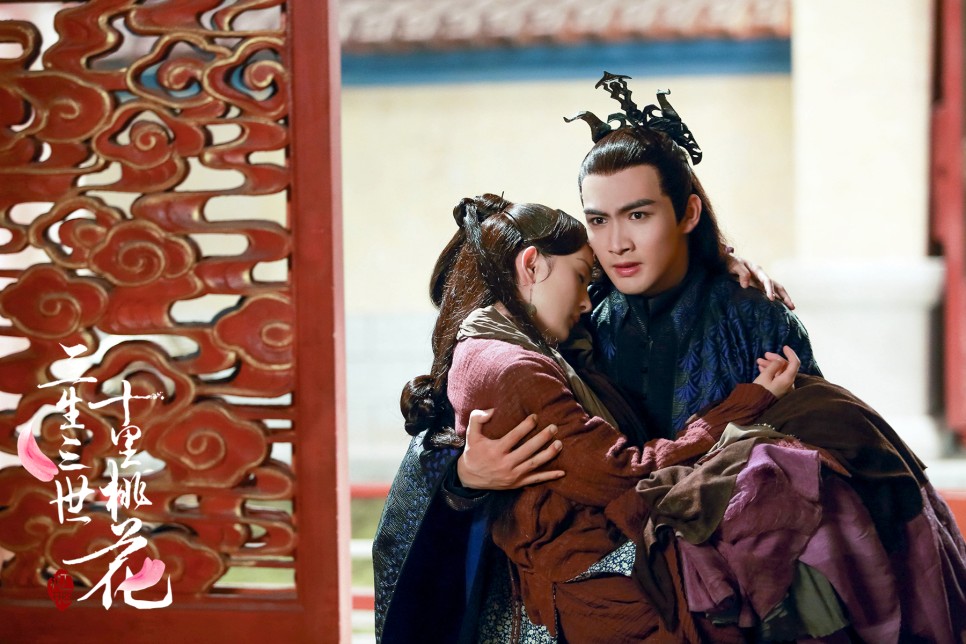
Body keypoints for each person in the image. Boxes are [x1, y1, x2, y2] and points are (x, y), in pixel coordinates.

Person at [374, 74, 820, 643]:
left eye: (640, 215)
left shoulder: (756, 320)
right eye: (598, 221)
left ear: (686, 214)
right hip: (571, 601)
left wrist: (721, 259)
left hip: (730, 586)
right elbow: (453, 426)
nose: (616, 244)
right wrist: (464, 477)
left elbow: (811, 463)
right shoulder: (570, 317)